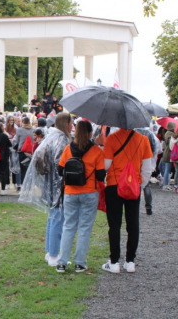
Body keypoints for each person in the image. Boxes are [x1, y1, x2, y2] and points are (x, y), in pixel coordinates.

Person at [102, 126, 153, 273]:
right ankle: (130, 261)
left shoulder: (111, 139)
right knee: (133, 223)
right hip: (133, 185)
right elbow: (147, 168)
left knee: (114, 224)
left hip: (114, 184)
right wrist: (140, 184)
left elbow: (106, 164)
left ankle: (114, 262)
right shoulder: (143, 140)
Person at [56, 121, 106, 273]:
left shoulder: (67, 149)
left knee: (68, 226)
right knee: (84, 227)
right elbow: (100, 175)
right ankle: (79, 262)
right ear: (91, 134)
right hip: (89, 191)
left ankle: (62, 262)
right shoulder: (97, 151)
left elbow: (60, 170)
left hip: (71, 192)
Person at [43, 113, 73, 267]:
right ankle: (54, 254)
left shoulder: (53, 136)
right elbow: (60, 162)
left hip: (52, 184)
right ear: (66, 123)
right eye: (71, 122)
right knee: (57, 218)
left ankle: (50, 251)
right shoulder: (61, 139)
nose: (73, 125)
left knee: (53, 217)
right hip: (59, 184)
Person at [12, 117, 35, 184]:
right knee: (30, 168)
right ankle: (30, 184)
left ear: (23, 122)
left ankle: (23, 184)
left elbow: (16, 140)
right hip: (31, 151)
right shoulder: (34, 129)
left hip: (22, 151)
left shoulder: (19, 130)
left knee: (22, 169)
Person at [0, 122, 12, 193]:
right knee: (3, 172)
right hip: (4, 154)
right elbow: (9, 144)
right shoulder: (4, 136)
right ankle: (3, 189)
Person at [161, 121, 176, 191]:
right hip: (169, 153)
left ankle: (166, 184)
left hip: (166, 152)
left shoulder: (167, 133)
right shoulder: (170, 134)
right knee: (167, 169)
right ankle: (165, 184)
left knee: (167, 169)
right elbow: (171, 143)